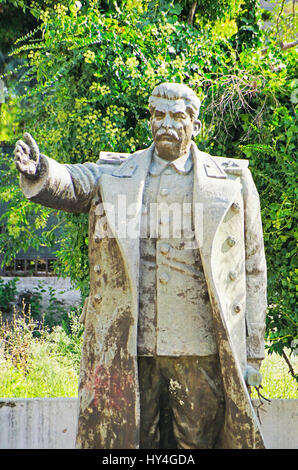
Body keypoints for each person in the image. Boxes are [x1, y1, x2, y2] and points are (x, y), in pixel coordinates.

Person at [14, 82, 267, 449]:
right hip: (132, 343)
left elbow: (253, 268)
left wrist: (254, 351)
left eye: (177, 116)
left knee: (197, 441)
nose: (166, 124)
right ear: (150, 120)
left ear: (195, 125)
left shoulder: (231, 181)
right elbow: (73, 181)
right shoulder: (117, 173)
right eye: (158, 115)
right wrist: (40, 170)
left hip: (199, 343)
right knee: (132, 441)